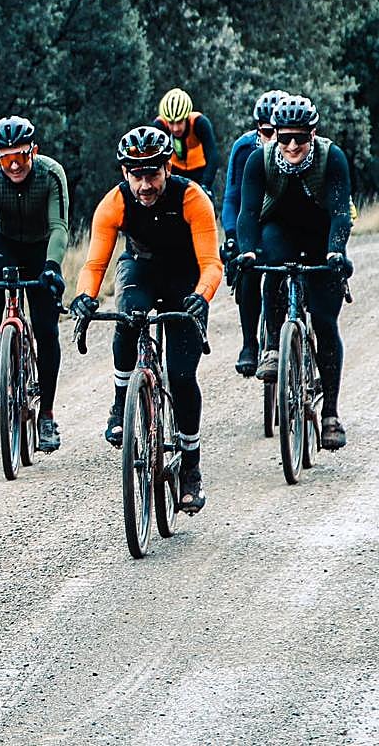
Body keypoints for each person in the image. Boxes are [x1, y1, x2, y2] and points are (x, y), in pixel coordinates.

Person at [70, 126, 222, 511]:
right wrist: (85, 298)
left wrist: (200, 298)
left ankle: (190, 466)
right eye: (136, 175)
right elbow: (94, 263)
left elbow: (210, 264)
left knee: (183, 376)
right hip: (140, 268)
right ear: (125, 173)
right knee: (128, 319)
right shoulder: (114, 203)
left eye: (152, 173)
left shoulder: (192, 198)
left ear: (167, 167)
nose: (145, 185)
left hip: (184, 277)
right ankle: (122, 401)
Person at [235, 95, 353, 450]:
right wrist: (247, 251)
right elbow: (248, 212)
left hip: (321, 237)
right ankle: (273, 344)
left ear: (313, 134)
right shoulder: (260, 160)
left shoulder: (332, 158)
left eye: (300, 138)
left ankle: (330, 413)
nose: (291, 145)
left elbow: (340, 212)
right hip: (279, 230)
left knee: (325, 321)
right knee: (272, 266)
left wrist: (336, 250)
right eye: (284, 137)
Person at [0, 115, 69, 452]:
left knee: (47, 331)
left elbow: (60, 226)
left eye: (21, 155)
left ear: (34, 150)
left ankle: (46, 414)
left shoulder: (51, 174)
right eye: (6, 158)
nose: (15, 164)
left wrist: (52, 266)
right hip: (2, 239)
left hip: (40, 244)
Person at [221, 89, 287, 376]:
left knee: (277, 267)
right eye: (266, 132)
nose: (273, 140)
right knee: (248, 269)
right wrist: (232, 235)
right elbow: (231, 197)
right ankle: (250, 343)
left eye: (279, 132)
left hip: (284, 223)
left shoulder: (294, 147)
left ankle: (276, 341)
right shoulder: (244, 147)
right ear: (257, 129)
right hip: (252, 219)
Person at [155, 87, 220, 201]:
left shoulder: (199, 123)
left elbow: (212, 155)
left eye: (179, 122)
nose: (175, 128)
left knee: (206, 204)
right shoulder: (160, 126)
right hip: (174, 170)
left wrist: (206, 185)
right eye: (171, 123)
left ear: (186, 117)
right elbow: (155, 158)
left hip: (199, 170)